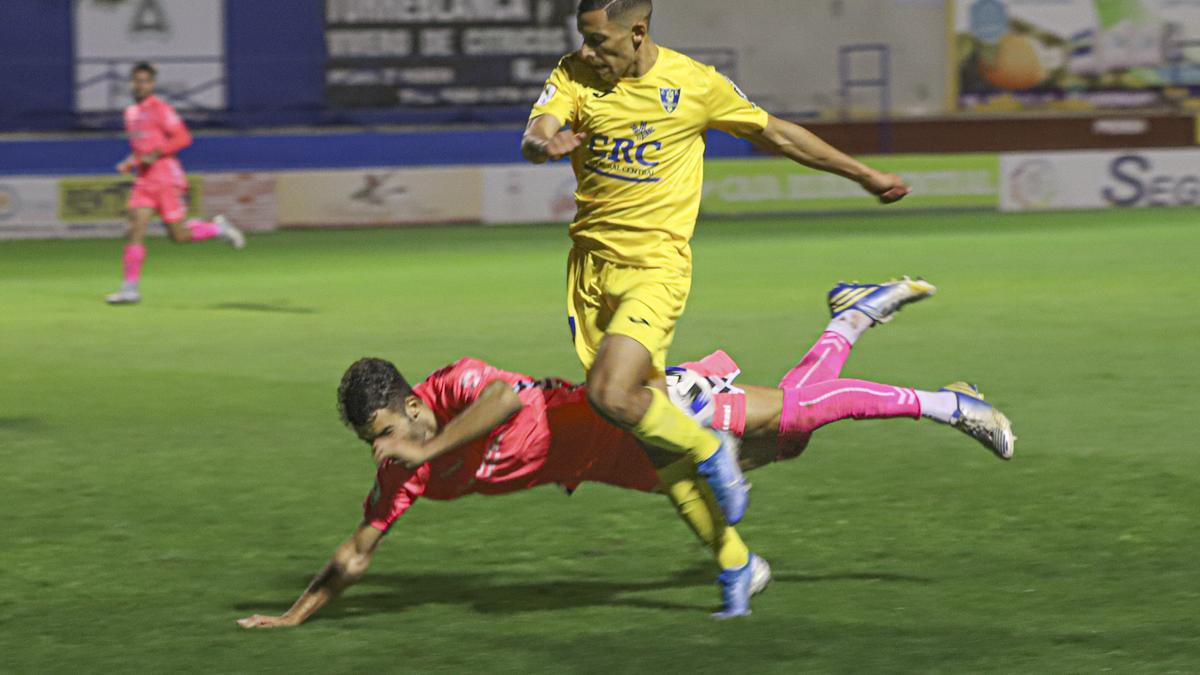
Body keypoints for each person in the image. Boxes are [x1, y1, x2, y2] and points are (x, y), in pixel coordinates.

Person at [236, 280, 1015, 627]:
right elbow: (358, 549)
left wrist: (433, 443)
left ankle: (951, 403)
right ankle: (848, 317)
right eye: (373, 442)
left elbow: (507, 400)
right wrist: (294, 614)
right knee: (793, 439)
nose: (386, 451)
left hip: (645, 407)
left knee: (798, 414)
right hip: (619, 464)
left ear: (410, 405)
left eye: (386, 431)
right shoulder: (402, 469)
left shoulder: (452, 388)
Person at [521, 0, 914, 614]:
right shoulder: (574, 73)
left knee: (610, 395)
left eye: (600, 41)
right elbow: (536, 128)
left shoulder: (694, 85)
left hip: (656, 269)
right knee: (648, 436)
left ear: (639, 31)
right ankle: (737, 562)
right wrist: (544, 144)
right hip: (590, 277)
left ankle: (712, 448)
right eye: (585, 41)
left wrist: (861, 173)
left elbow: (777, 132)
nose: (590, 53)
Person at [105, 62, 245, 305]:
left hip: (166, 179)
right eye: (137, 80)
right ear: (131, 83)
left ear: (152, 84)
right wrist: (131, 161)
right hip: (144, 180)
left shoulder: (160, 109)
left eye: (145, 81)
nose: (140, 85)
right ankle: (130, 289)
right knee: (135, 229)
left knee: (178, 236)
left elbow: (183, 137)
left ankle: (217, 228)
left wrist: (158, 153)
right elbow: (142, 148)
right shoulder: (130, 114)